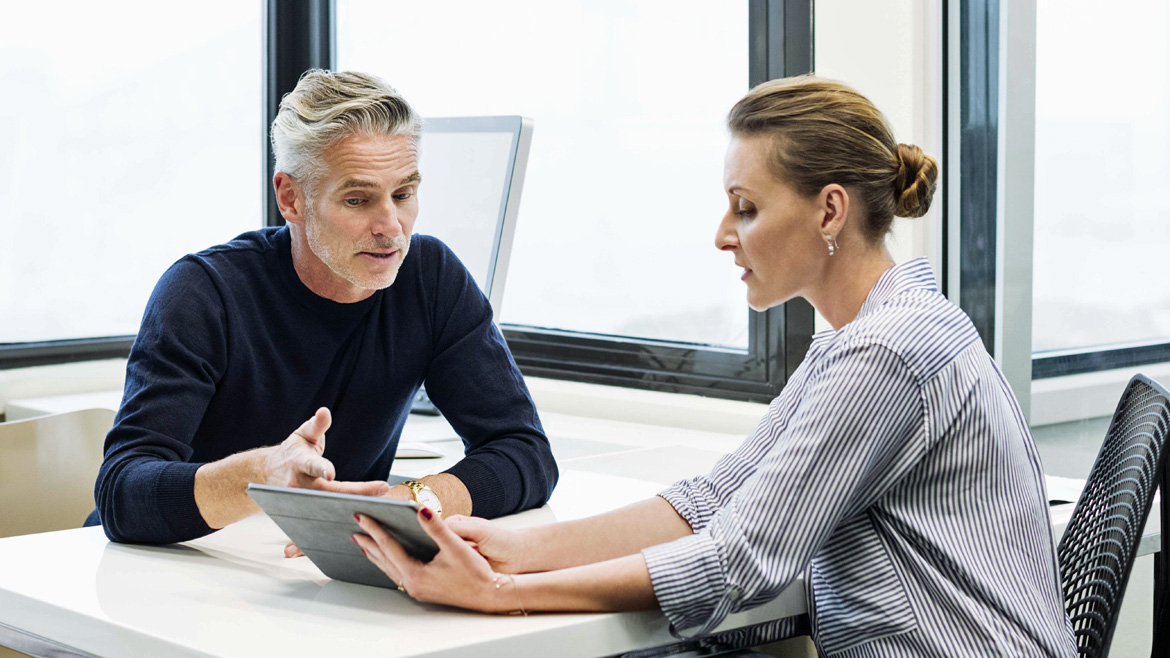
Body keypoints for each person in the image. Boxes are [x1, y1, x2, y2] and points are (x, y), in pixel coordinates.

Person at [348, 76, 1077, 657]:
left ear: (830, 212)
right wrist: (519, 548)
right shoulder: (864, 337)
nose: (724, 236)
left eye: (746, 208)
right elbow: (715, 497)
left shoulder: (885, 354)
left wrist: (500, 593)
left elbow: (740, 561)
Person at [88, 70, 558, 545]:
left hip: (311, 568)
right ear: (291, 198)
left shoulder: (430, 277)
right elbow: (121, 494)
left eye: (403, 194)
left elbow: (525, 453)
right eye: (358, 199)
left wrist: (414, 502)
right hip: (168, 567)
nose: (392, 228)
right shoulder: (202, 293)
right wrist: (263, 475)